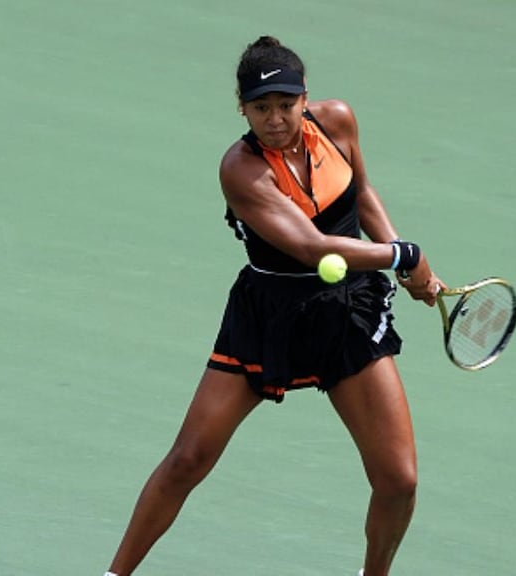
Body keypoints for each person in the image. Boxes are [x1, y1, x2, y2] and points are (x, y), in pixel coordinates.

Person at [104, 35, 444, 576]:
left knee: (398, 480)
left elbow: (361, 192)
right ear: (242, 109)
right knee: (189, 458)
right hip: (269, 318)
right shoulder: (240, 169)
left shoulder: (338, 122)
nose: (276, 119)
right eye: (261, 108)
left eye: (285, 105)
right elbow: (311, 247)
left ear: (304, 98)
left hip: (347, 312)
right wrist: (404, 254)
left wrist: (404, 264)